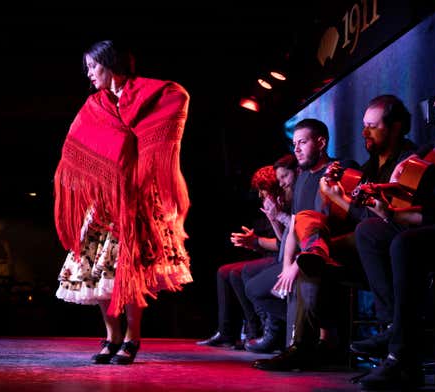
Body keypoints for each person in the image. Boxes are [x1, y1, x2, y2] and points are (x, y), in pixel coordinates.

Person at [53, 40, 192, 365]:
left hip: (139, 199)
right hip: (103, 203)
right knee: (97, 273)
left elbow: (176, 101)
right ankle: (111, 334)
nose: (89, 73)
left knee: (131, 274)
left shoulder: (154, 95)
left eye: (93, 66)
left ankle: (133, 337)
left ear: (111, 64)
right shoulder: (93, 106)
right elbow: (77, 146)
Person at [351, 81, 435, 390]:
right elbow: (424, 212)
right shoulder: (433, 150)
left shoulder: (418, 153)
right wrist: (386, 210)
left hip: (432, 232)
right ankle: (394, 331)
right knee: (369, 232)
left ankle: (399, 353)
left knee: (405, 242)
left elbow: (431, 213)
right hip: (429, 226)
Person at [252, 118, 360, 370]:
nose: (296, 149)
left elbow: (348, 219)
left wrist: (298, 263)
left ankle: (304, 346)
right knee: (265, 284)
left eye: (302, 142)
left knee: (308, 269)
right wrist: (287, 264)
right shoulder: (301, 179)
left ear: (321, 143)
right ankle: (308, 342)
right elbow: (293, 228)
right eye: (294, 143)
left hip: (336, 252)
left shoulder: (342, 169)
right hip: (307, 255)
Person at [197, 158, 296, 349]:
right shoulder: (273, 203)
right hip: (276, 255)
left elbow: (282, 242)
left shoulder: (288, 201)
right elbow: (282, 239)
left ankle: (258, 331)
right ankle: (230, 332)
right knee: (224, 271)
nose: (260, 194)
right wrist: (257, 239)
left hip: (282, 258)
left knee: (237, 273)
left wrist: (257, 241)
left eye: (263, 189)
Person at [241, 154, 298, 353]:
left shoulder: (294, 196)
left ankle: (280, 330)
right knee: (242, 273)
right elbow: (283, 238)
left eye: (284, 177)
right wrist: (273, 218)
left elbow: (300, 231)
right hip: (285, 256)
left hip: (296, 258)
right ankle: (264, 331)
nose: (282, 182)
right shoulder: (280, 200)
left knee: (252, 283)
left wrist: (257, 241)